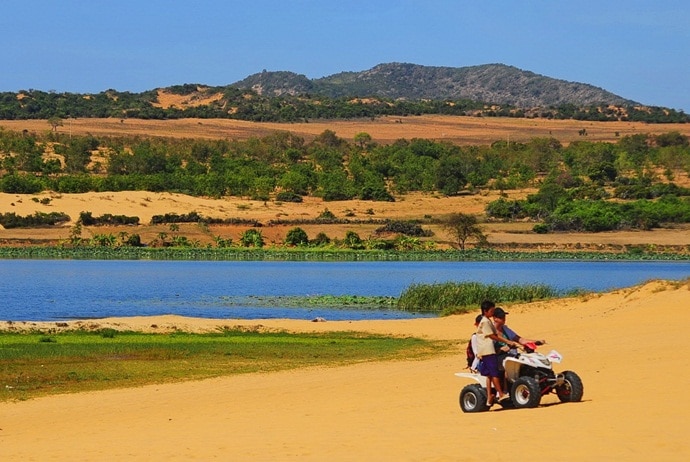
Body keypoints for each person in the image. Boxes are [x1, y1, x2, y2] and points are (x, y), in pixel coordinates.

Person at [475, 300, 521, 406]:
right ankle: (501, 394)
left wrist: (510, 342)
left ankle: (489, 396)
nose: (493, 312)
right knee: (494, 373)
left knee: (489, 374)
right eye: (491, 310)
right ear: (485, 311)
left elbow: (495, 334)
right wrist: (507, 342)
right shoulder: (485, 321)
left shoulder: (486, 320)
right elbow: (492, 336)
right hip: (488, 350)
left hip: (485, 350)